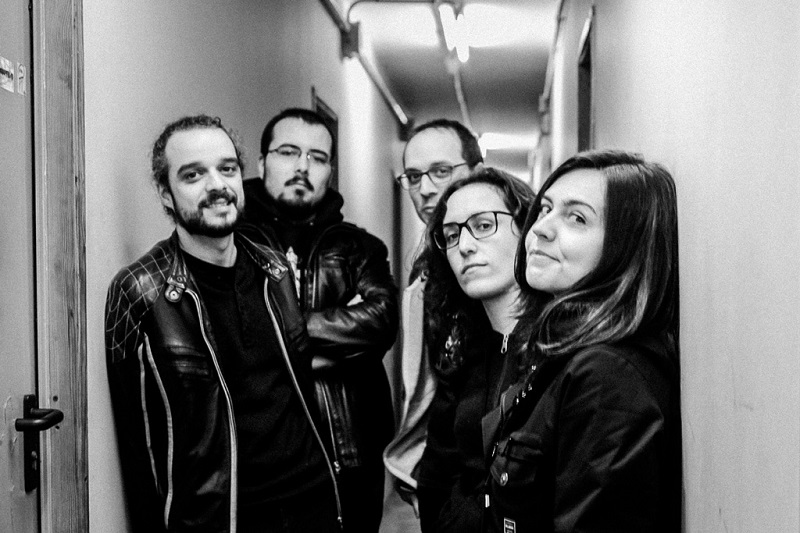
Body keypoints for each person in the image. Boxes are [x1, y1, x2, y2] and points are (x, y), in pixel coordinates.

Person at [105, 115, 342, 533]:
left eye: (227, 169)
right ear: (165, 192)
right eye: (193, 174)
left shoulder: (273, 269)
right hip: (223, 518)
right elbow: (139, 454)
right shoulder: (141, 292)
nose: (217, 185)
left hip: (314, 502)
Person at [482, 150, 682, 532]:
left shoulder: (608, 377)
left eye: (577, 218)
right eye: (545, 209)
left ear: (626, 246)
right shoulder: (557, 346)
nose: (540, 228)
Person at [241, 108, 399, 533]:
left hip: (348, 456)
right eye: (288, 152)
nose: (302, 166)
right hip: (258, 461)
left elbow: (382, 320)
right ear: (262, 162)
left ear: (330, 170)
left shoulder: (360, 248)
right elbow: (229, 335)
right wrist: (339, 335)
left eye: (317, 157)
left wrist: (280, 333)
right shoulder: (232, 243)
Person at [413, 168, 536, 532]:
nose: (464, 246)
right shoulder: (461, 349)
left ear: (527, 229)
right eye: (452, 235)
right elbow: (438, 472)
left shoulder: (559, 352)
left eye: (483, 225)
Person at [383, 119, 484, 513]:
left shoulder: (500, 262)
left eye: (441, 171)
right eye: (413, 176)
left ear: (477, 171)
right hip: (441, 472)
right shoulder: (424, 270)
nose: (424, 188)